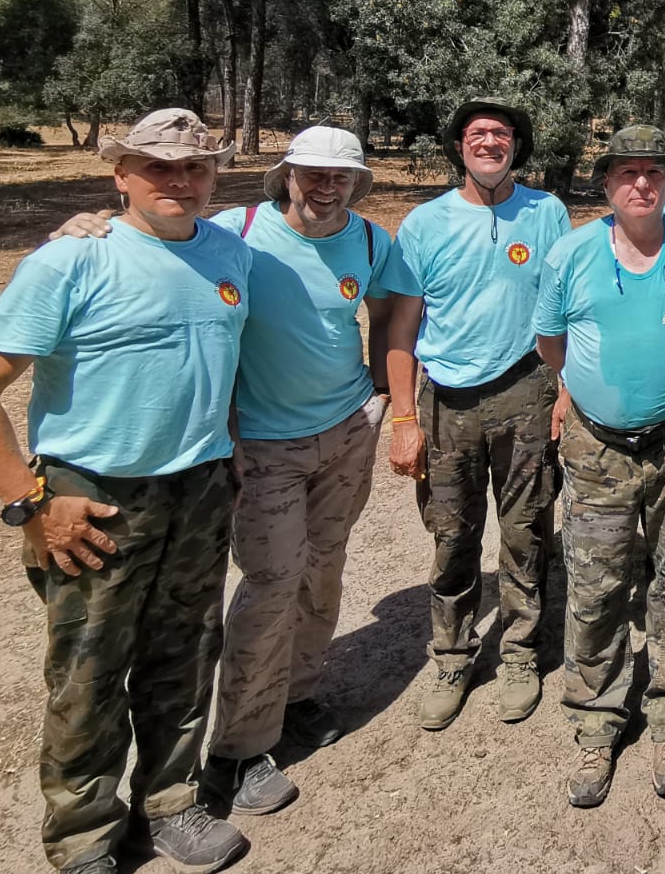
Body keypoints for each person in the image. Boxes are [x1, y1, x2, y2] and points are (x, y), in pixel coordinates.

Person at [47, 125, 425, 815]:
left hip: (344, 434)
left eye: (341, 176)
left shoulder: (372, 241)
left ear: (357, 184)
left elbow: (394, 310)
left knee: (324, 568)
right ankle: (239, 749)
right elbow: (159, 236)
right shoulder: (237, 231)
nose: (326, 185)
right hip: (262, 444)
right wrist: (92, 224)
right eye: (312, 172)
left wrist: (390, 403)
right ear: (287, 174)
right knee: (274, 581)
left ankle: (298, 696)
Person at [0, 110, 254, 874]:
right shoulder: (71, 262)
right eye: (157, 167)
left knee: (184, 656)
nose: (178, 181)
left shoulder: (230, 255)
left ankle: (172, 802)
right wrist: (30, 501)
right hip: (94, 498)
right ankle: (84, 842)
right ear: (120, 175)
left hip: (199, 487)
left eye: (194, 168)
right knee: (86, 675)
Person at [536, 125, 665, 808]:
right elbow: (552, 344)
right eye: (626, 172)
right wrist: (592, 391)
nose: (641, 184)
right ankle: (597, 720)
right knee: (595, 589)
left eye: (654, 172)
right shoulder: (570, 254)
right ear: (606, 182)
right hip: (597, 449)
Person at [393, 97, 571, 731]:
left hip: (527, 389)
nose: (491, 142)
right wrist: (403, 418)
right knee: (452, 533)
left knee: (526, 529)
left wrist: (566, 390)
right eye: (478, 134)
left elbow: (565, 306)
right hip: (447, 400)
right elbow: (403, 325)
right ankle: (452, 654)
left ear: (515, 146)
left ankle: (521, 651)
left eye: (501, 134)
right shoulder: (423, 225)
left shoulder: (547, 212)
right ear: (460, 147)